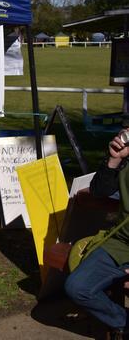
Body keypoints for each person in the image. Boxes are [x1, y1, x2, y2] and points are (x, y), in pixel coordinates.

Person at [65, 126, 129, 339]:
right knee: (77, 287)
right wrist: (114, 160)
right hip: (121, 243)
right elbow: (100, 190)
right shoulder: (126, 157)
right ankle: (123, 321)